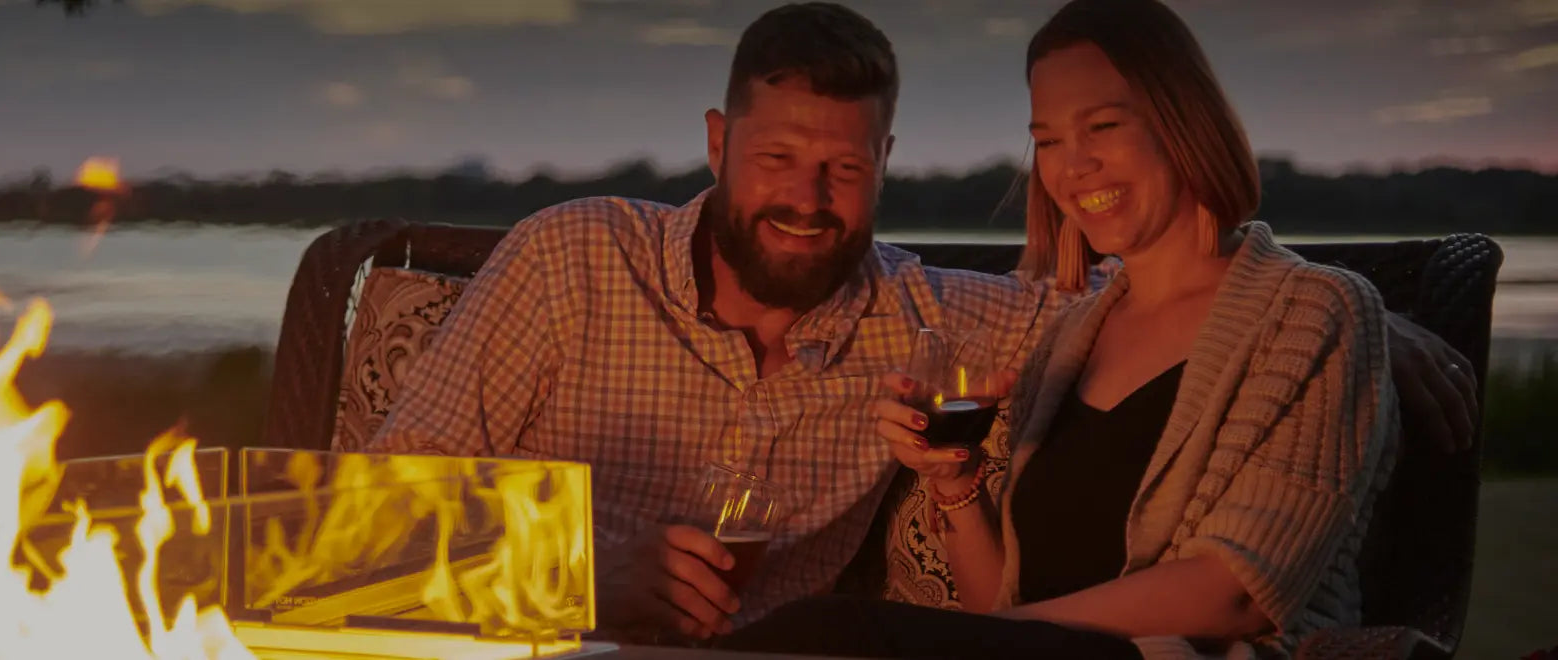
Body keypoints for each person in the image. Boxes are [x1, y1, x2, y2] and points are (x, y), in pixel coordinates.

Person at [357, 0, 1477, 646]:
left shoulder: (936, 321)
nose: (808, 199)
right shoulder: (572, 259)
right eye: (777, 157)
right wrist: (583, 570)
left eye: (844, 168)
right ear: (717, 143)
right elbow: (367, 523)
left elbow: (1175, 289)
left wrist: (1381, 311)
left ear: (885, 165)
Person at [715, 0, 1413, 658]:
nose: (1073, 166)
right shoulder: (1070, 335)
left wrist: (953, 642)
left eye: (1102, 127)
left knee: (820, 633)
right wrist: (957, 484)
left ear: (1184, 121)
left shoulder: (1312, 312)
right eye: (1047, 141)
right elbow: (1002, 603)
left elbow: (1238, 593)